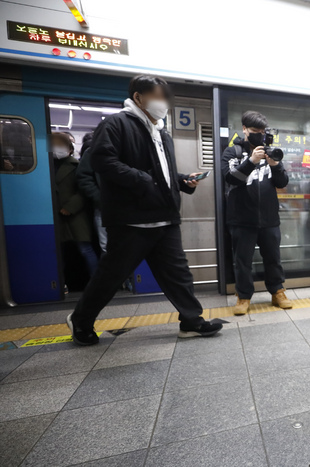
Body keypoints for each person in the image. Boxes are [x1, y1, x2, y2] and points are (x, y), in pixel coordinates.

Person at [67, 75, 222, 345]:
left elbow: (162, 173)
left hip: (164, 218)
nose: (164, 103)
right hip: (131, 220)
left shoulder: (161, 132)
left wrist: (182, 180)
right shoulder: (116, 124)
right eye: (158, 97)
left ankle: (191, 321)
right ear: (139, 98)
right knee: (110, 277)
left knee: (178, 275)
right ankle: (80, 320)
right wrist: (142, 180)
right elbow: (103, 161)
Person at [220, 111, 292, 315]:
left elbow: (282, 182)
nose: (258, 136)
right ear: (244, 129)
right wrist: (251, 161)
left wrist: (275, 165)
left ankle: (277, 291)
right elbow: (230, 178)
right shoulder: (232, 152)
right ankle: (243, 296)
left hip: (269, 218)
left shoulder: (272, 152)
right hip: (241, 219)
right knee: (243, 260)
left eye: (262, 132)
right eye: (254, 131)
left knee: (273, 258)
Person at [51, 132, 98, 279]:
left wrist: (70, 207)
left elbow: (83, 190)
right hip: (55, 215)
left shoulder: (76, 165)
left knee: (85, 249)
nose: (57, 149)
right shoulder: (46, 166)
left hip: (75, 215)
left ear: (70, 149)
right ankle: (61, 284)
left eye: (60, 146)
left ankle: (96, 281)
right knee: (58, 252)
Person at [76, 131, 109, 253]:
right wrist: (99, 198)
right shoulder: (92, 152)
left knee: (129, 247)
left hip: (129, 208)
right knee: (106, 247)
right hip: (103, 209)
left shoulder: (128, 151)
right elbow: (84, 178)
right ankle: (110, 273)